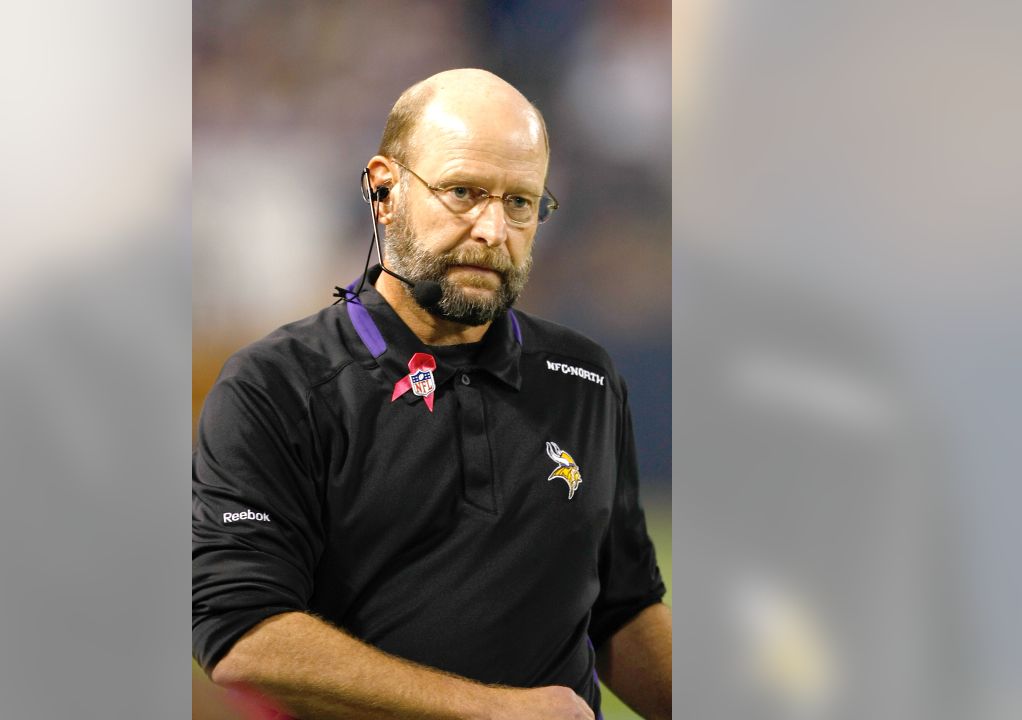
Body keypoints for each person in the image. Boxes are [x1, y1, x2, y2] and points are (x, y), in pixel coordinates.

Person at [193, 68, 671, 720]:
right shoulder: (276, 387)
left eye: (520, 203)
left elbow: (623, 607)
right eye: (463, 192)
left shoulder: (583, 378)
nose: (492, 230)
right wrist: (491, 711)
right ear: (384, 190)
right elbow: (241, 631)